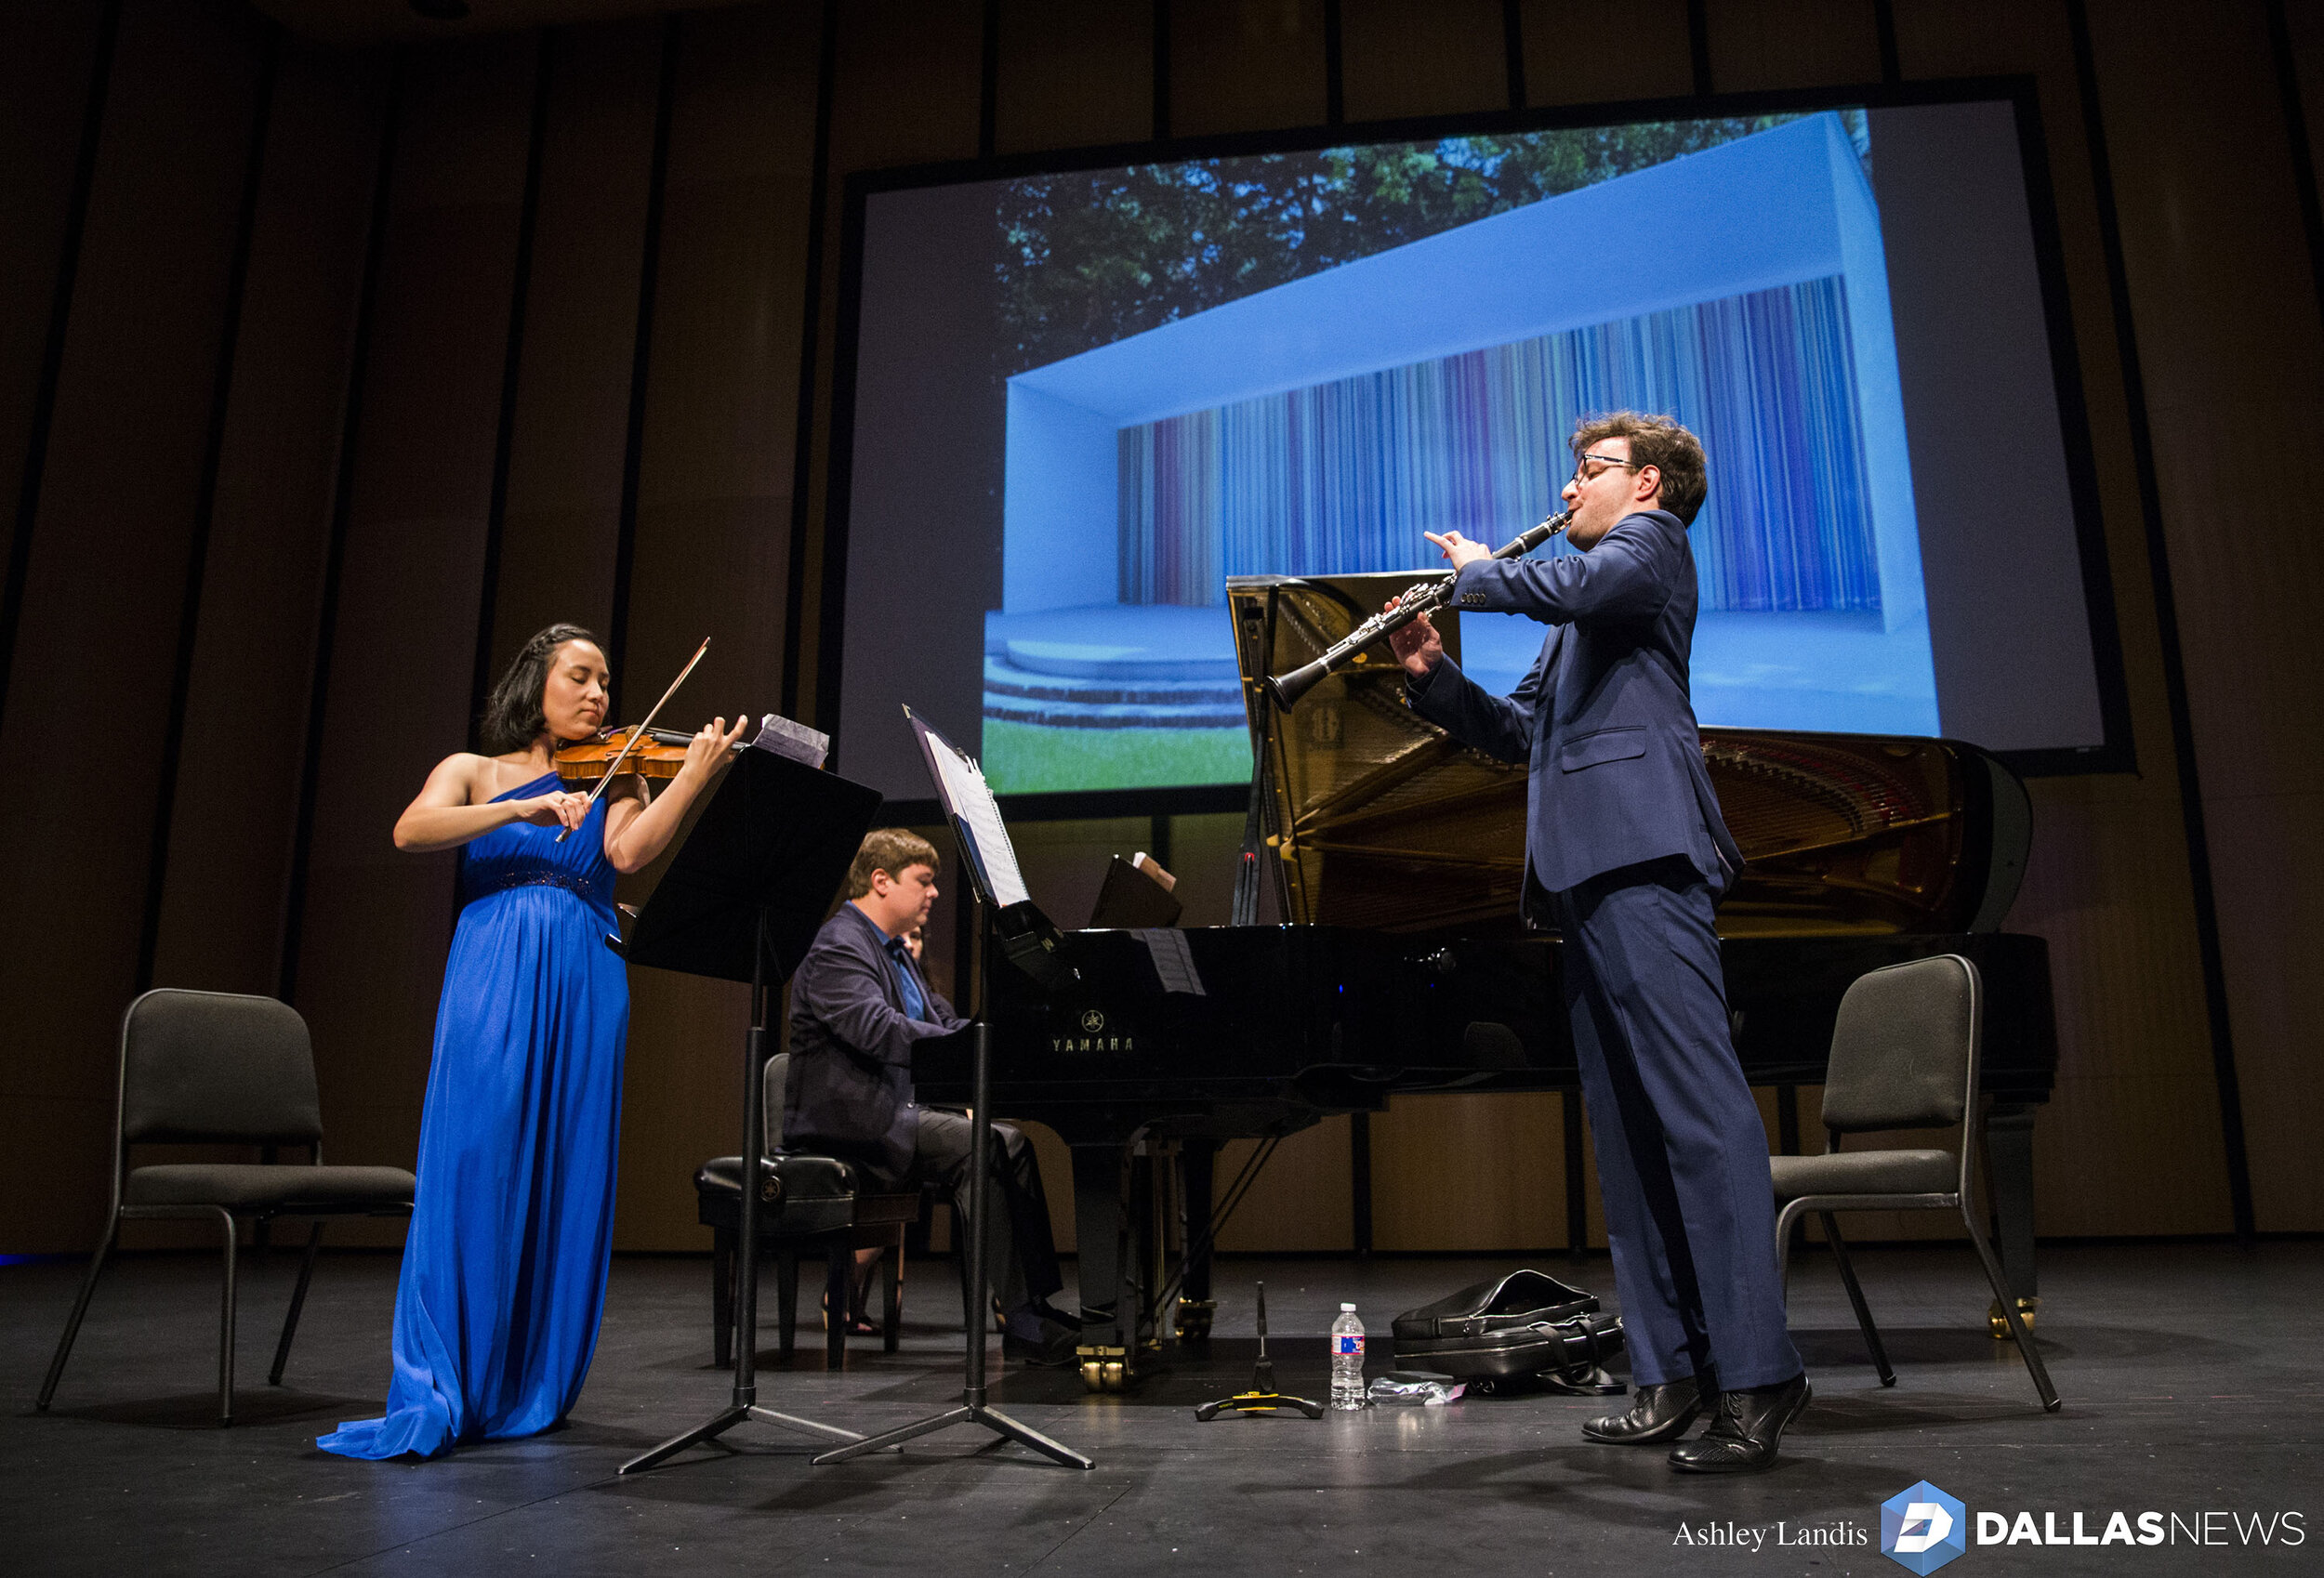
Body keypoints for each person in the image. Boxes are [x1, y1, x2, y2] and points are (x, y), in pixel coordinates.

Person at [1388, 413, 1809, 1474]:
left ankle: (1759, 1377)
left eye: (1590, 473)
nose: (1569, 490)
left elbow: (1573, 584)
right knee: (1626, 1147)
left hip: (1647, 865)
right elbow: (1520, 736)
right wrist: (1433, 672)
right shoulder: (1577, 618)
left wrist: (1483, 574)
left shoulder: (1647, 553)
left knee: (1703, 1129)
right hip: (1582, 883)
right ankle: (1670, 1374)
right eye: (1570, 474)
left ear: (1651, 488)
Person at [319, 625, 748, 1459]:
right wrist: (525, 803)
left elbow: (628, 851)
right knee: (476, 1160)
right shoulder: (473, 770)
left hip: (587, 971)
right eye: (580, 678)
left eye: (605, 682)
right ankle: (447, 1378)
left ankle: (528, 1383)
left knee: (565, 1171)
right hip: (494, 966)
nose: (598, 695)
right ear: (535, 684)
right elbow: (413, 831)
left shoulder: (615, 774)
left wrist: (689, 778)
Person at [784, 829, 1076, 1362]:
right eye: (924, 881)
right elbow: (876, 1029)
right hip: (854, 1122)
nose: (935, 893)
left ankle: (1032, 1305)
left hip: (894, 1111)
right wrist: (969, 1043)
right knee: (986, 1144)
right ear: (880, 881)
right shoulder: (839, 945)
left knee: (1011, 1141)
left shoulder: (894, 951)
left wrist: (997, 1039)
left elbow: (940, 1020)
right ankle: (1022, 1318)